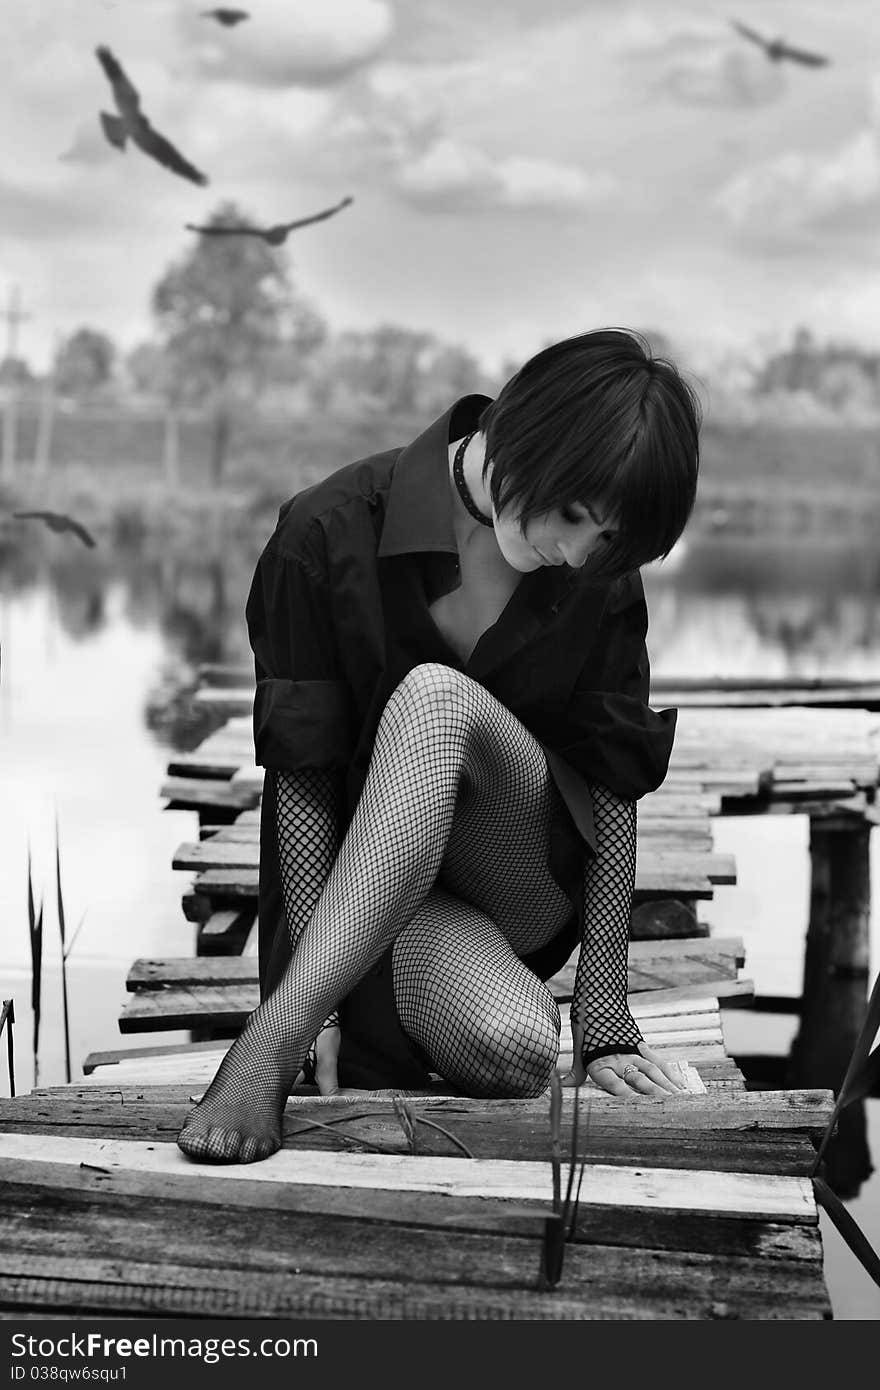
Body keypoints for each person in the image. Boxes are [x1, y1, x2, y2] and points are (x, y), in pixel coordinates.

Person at [177, 327, 702, 1165]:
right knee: (514, 1045)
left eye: (603, 540)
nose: (574, 553)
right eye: (571, 515)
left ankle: (276, 1038)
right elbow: (305, 782)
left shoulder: (595, 580)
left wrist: (603, 1023)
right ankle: (299, 1026)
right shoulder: (324, 534)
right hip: (373, 896)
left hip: (514, 882)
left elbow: (611, 782)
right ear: (522, 424)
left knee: (435, 700)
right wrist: (322, 1008)